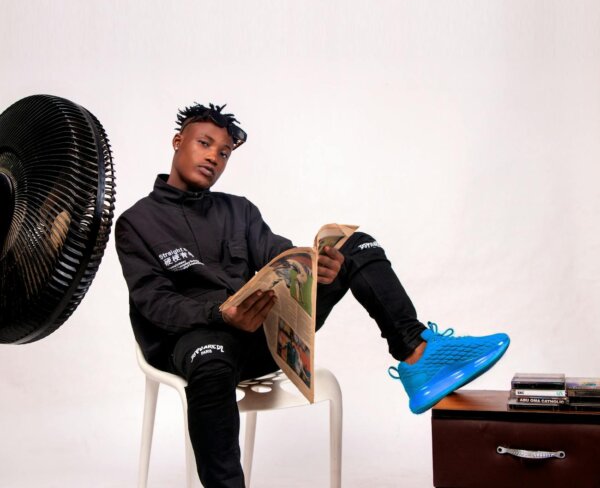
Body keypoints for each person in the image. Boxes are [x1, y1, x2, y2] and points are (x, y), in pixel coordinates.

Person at [115, 103, 509, 488]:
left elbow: (279, 256)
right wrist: (221, 314)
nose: (214, 158)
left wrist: (317, 266)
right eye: (204, 144)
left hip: (260, 333)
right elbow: (154, 302)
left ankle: (417, 355)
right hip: (197, 341)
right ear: (177, 141)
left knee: (355, 245)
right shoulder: (137, 222)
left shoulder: (239, 210)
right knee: (212, 358)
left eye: (223, 153)